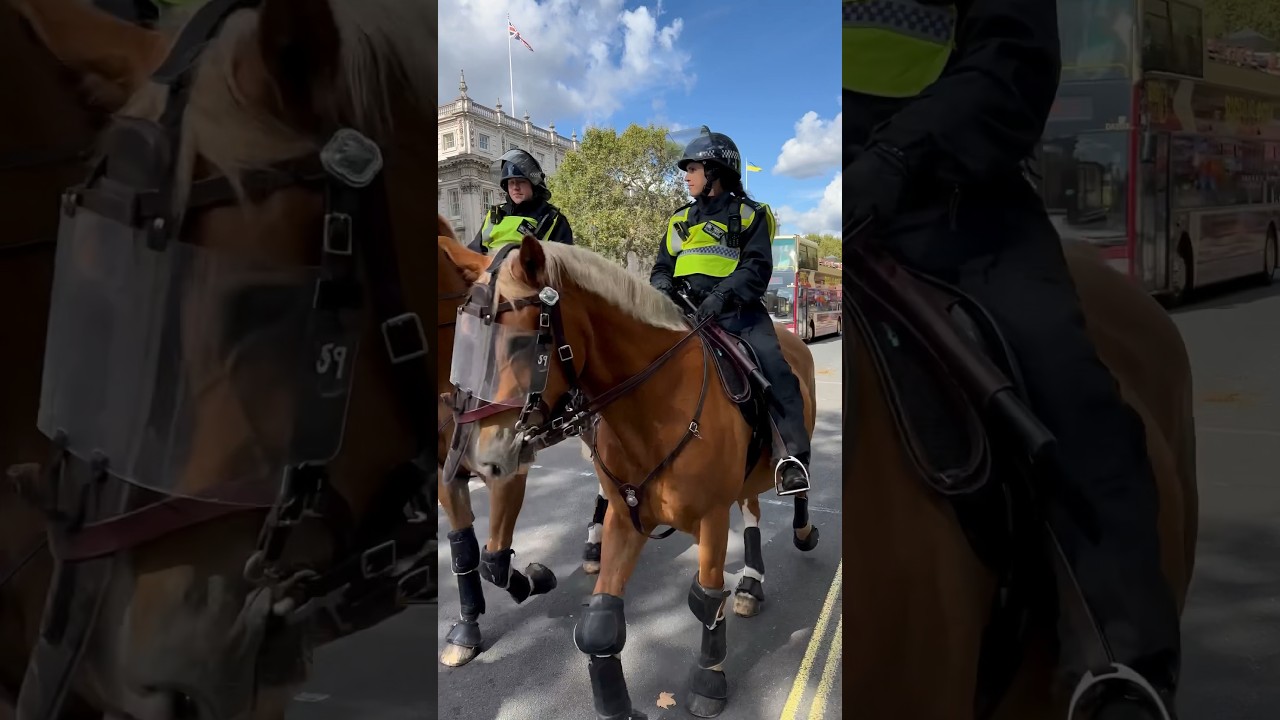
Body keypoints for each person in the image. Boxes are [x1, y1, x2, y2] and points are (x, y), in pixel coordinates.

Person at [842, 1, 1180, 718]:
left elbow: (1013, 57)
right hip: (834, 205)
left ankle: (1120, 667)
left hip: (952, 203)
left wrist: (898, 156)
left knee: (1070, 398)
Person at [649, 127, 810, 496]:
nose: (686, 176)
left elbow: (756, 267)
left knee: (776, 369)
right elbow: (661, 266)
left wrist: (721, 296)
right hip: (684, 315)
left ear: (715, 172)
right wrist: (662, 286)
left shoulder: (752, 214)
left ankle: (792, 458)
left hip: (738, 315)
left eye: (693, 168)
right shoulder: (678, 219)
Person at [469, 149, 574, 254]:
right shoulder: (494, 214)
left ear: (534, 184)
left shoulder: (553, 219)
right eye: (511, 182)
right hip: (489, 264)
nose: (515, 187)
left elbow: (565, 260)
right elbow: (474, 251)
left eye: (521, 181)